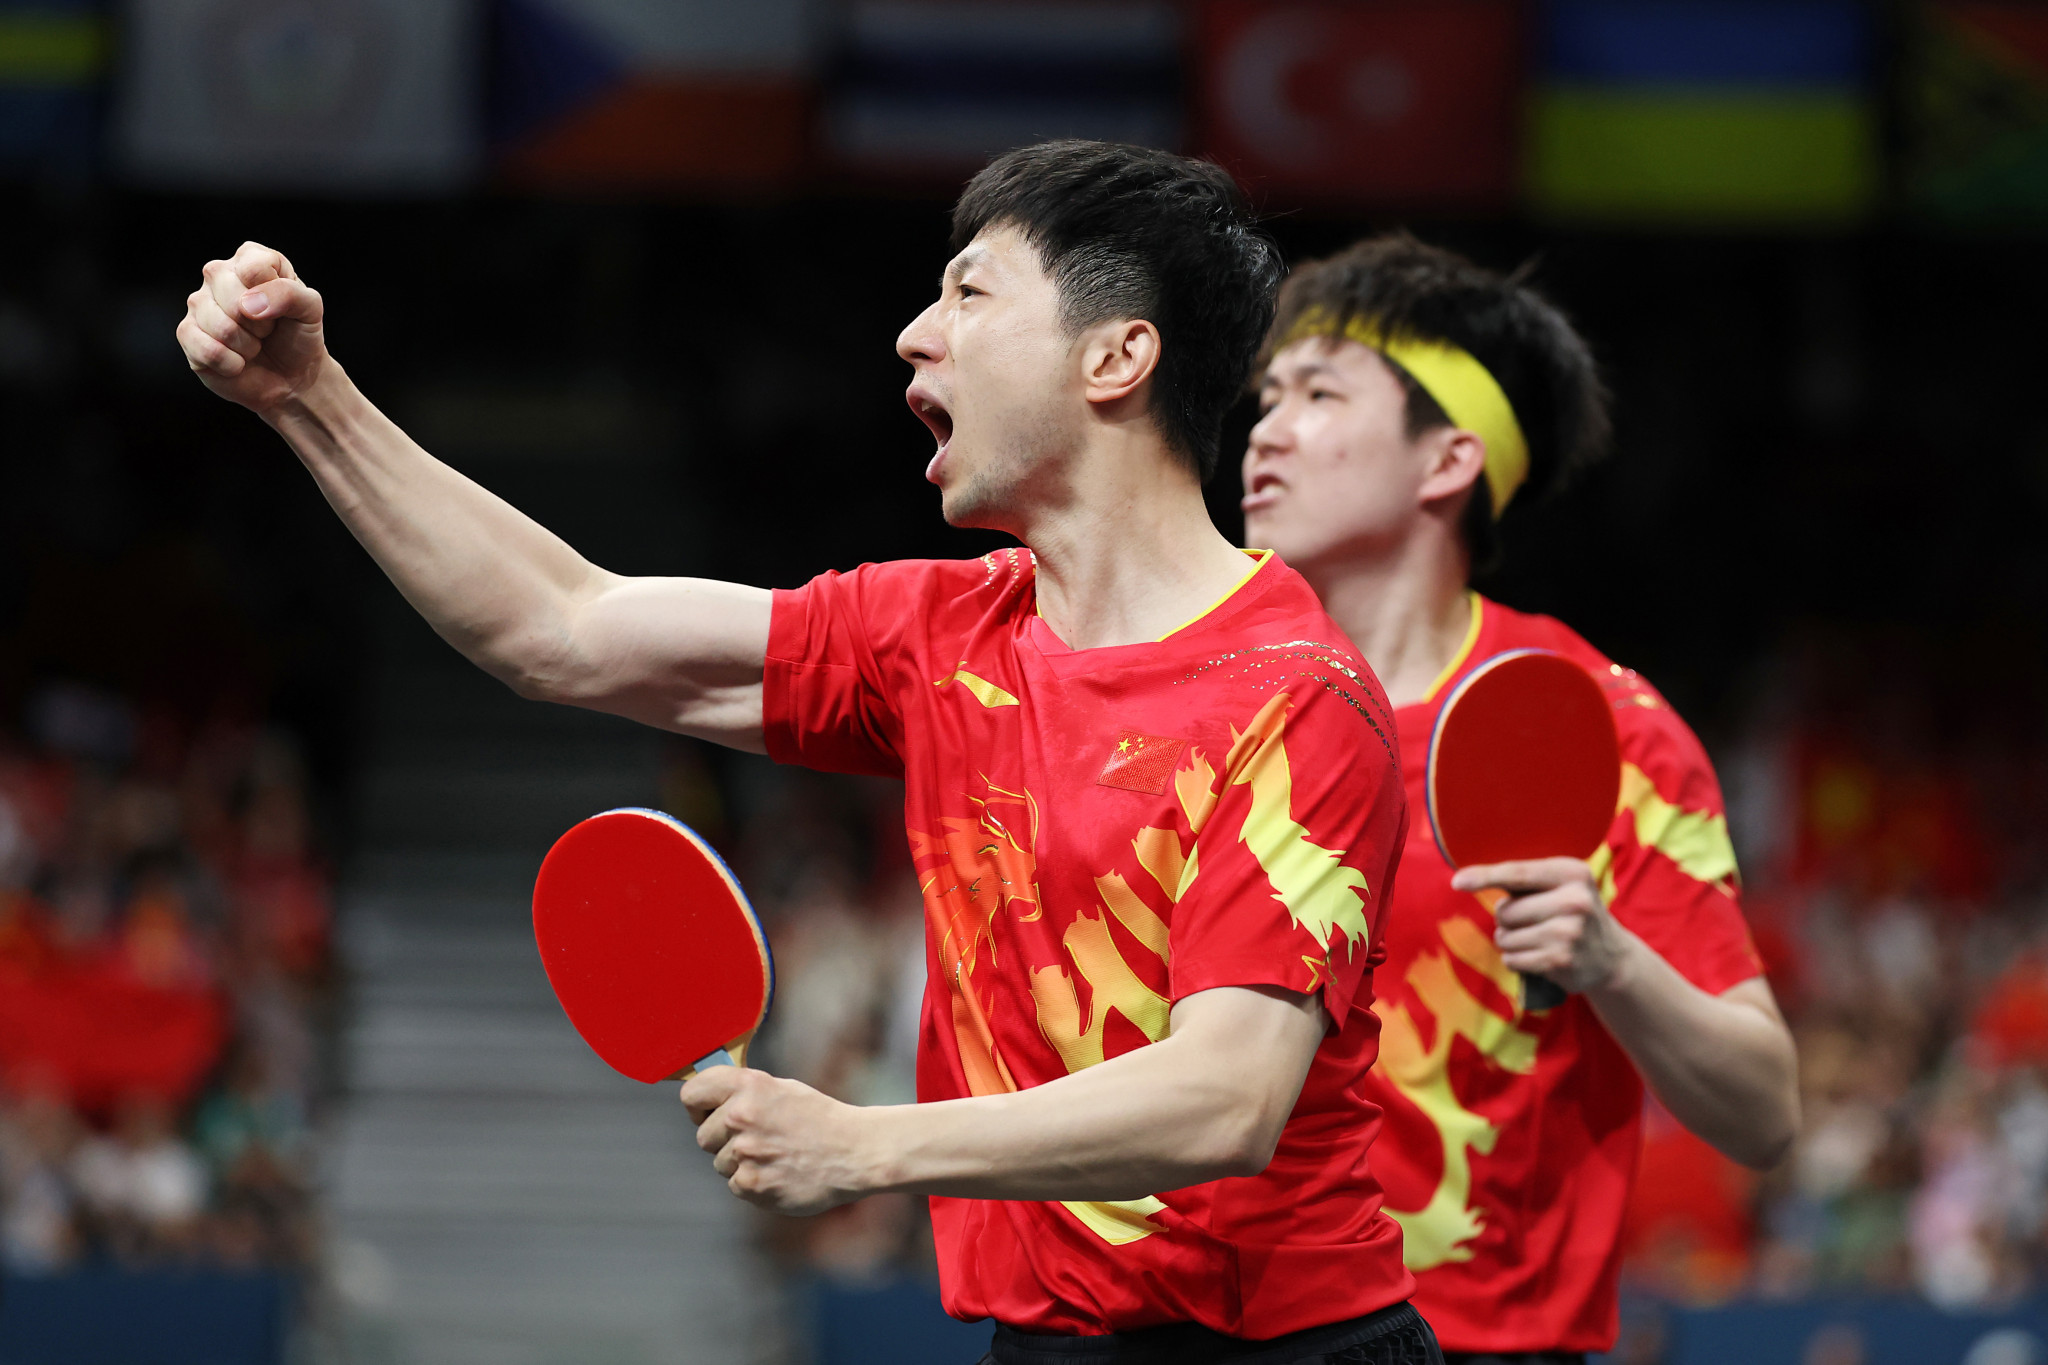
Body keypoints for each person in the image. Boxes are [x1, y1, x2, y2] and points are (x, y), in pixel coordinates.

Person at [177, 142, 1442, 1364]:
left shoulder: (1294, 698)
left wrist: (867, 1146)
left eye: (967, 292)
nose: (914, 333)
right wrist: (310, 399)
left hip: (1288, 1349)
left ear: (1115, 356)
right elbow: (559, 628)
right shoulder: (941, 635)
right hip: (1045, 1345)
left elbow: (1227, 1100)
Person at [1240, 234, 1800, 1364]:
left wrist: (1610, 962)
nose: (1263, 427)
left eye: (1316, 392)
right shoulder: (1200, 700)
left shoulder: (1597, 729)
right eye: (1263, 397)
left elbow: (1761, 1111)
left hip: (1472, 1344)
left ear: (1445, 461)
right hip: (1201, 1332)